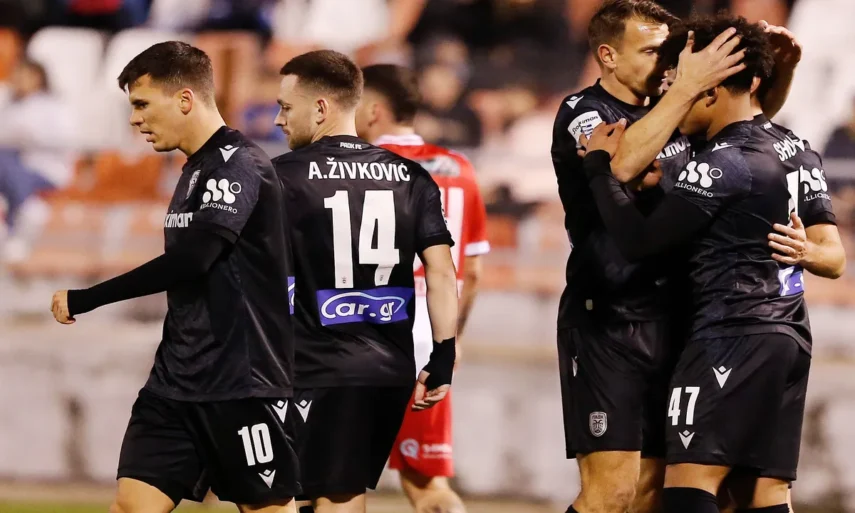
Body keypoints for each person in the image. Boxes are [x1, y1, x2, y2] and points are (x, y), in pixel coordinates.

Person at [580, 14, 839, 513]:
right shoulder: (797, 149)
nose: (673, 97)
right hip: (788, 336)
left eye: (684, 84)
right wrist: (807, 252)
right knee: (762, 493)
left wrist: (597, 169)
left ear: (711, 89)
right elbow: (836, 257)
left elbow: (640, 242)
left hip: (729, 336)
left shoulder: (723, 162)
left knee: (688, 486)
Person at [49, 42, 300, 513]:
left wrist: (88, 298)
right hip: (175, 382)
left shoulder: (239, 164)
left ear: (185, 99)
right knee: (131, 506)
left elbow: (193, 260)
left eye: (143, 104)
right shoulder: (195, 169)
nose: (135, 120)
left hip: (241, 383)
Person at [550, 2, 749, 512]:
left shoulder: (675, 106)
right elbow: (616, 164)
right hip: (609, 318)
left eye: (667, 51)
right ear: (608, 56)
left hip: (678, 317)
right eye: (650, 51)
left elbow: (746, 120)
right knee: (610, 493)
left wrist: (783, 69)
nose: (664, 62)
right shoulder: (583, 111)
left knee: (651, 490)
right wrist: (685, 90)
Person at [271, 50, 459, 513]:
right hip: (386, 370)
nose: (278, 119)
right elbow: (441, 271)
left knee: (293, 499)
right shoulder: (411, 176)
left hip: (310, 365)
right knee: (336, 491)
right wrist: (443, 354)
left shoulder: (282, 177)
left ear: (321, 108)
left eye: (287, 107)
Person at [355, 63, 490, 513]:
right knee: (427, 484)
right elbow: (472, 272)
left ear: (373, 109)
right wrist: (452, 338)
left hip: (362, 327)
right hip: (428, 337)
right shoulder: (460, 167)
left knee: (331, 479)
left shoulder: (356, 167)